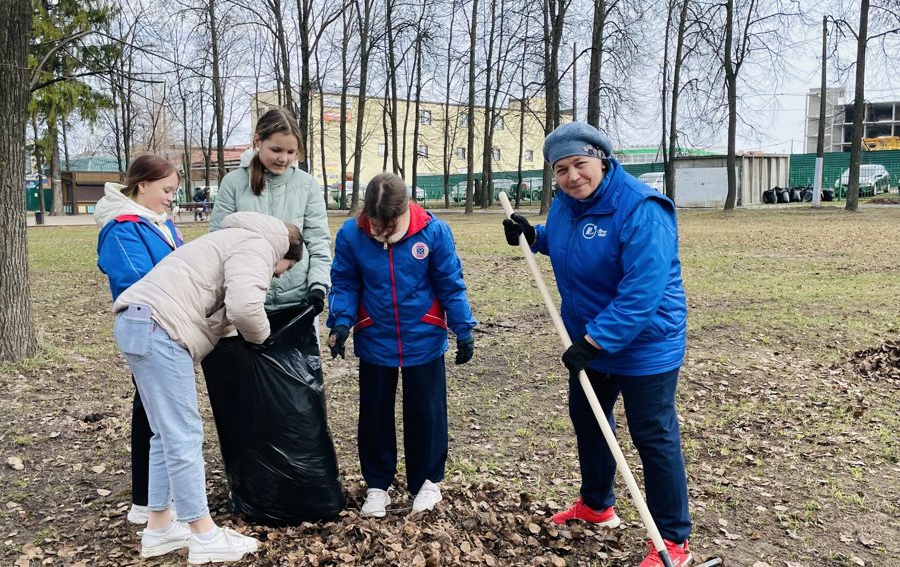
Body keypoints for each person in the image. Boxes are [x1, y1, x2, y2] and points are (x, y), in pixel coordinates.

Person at [502, 122, 692, 567]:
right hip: (590, 340)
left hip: (645, 344)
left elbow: (641, 295)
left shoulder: (642, 208)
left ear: (601, 160)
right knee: (589, 421)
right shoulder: (569, 205)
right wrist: (536, 237)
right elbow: (572, 245)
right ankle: (596, 505)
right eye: (561, 169)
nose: (572, 177)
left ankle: (673, 540)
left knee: (653, 436)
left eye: (580, 164)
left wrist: (593, 341)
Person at [112, 211, 302, 562]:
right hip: (160, 328)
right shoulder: (262, 245)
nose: (276, 277)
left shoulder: (234, 238)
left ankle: (159, 527)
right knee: (183, 435)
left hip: (137, 322)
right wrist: (263, 340)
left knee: (164, 434)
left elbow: (221, 308)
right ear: (285, 255)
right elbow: (245, 306)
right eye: (283, 270)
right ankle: (203, 534)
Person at [326, 173, 476, 518]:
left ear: (405, 209)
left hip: (422, 338)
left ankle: (427, 482)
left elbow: (450, 283)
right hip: (375, 337)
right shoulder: (352, 234)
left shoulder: (433, 232)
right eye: (376, 225)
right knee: (375, 412)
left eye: (388, 225)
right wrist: (342, 321)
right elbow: (345, 282)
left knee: (427, 411)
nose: (381, 233)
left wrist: (463, 327)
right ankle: (378, 486)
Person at [95, 155, 184, 525]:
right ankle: (147, 501)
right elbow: (139, 282)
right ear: (142, 185)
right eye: (166, 190)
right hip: (147, 327)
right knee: (151, 413)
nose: (170, 199)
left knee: (153, 410)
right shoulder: (122, 228)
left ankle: (154, 500)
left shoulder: (160, 224)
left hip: (167, 325)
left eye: (174, 192)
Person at [210, 107, 330, 319]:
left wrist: (318, 287)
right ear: (258, 141)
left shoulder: (307, 185)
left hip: (298, 302)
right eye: (276, 150)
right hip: (248, 302)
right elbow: (218, 242)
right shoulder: (233, 184)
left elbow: (317, 240)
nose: (283, 158)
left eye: (291, 152)